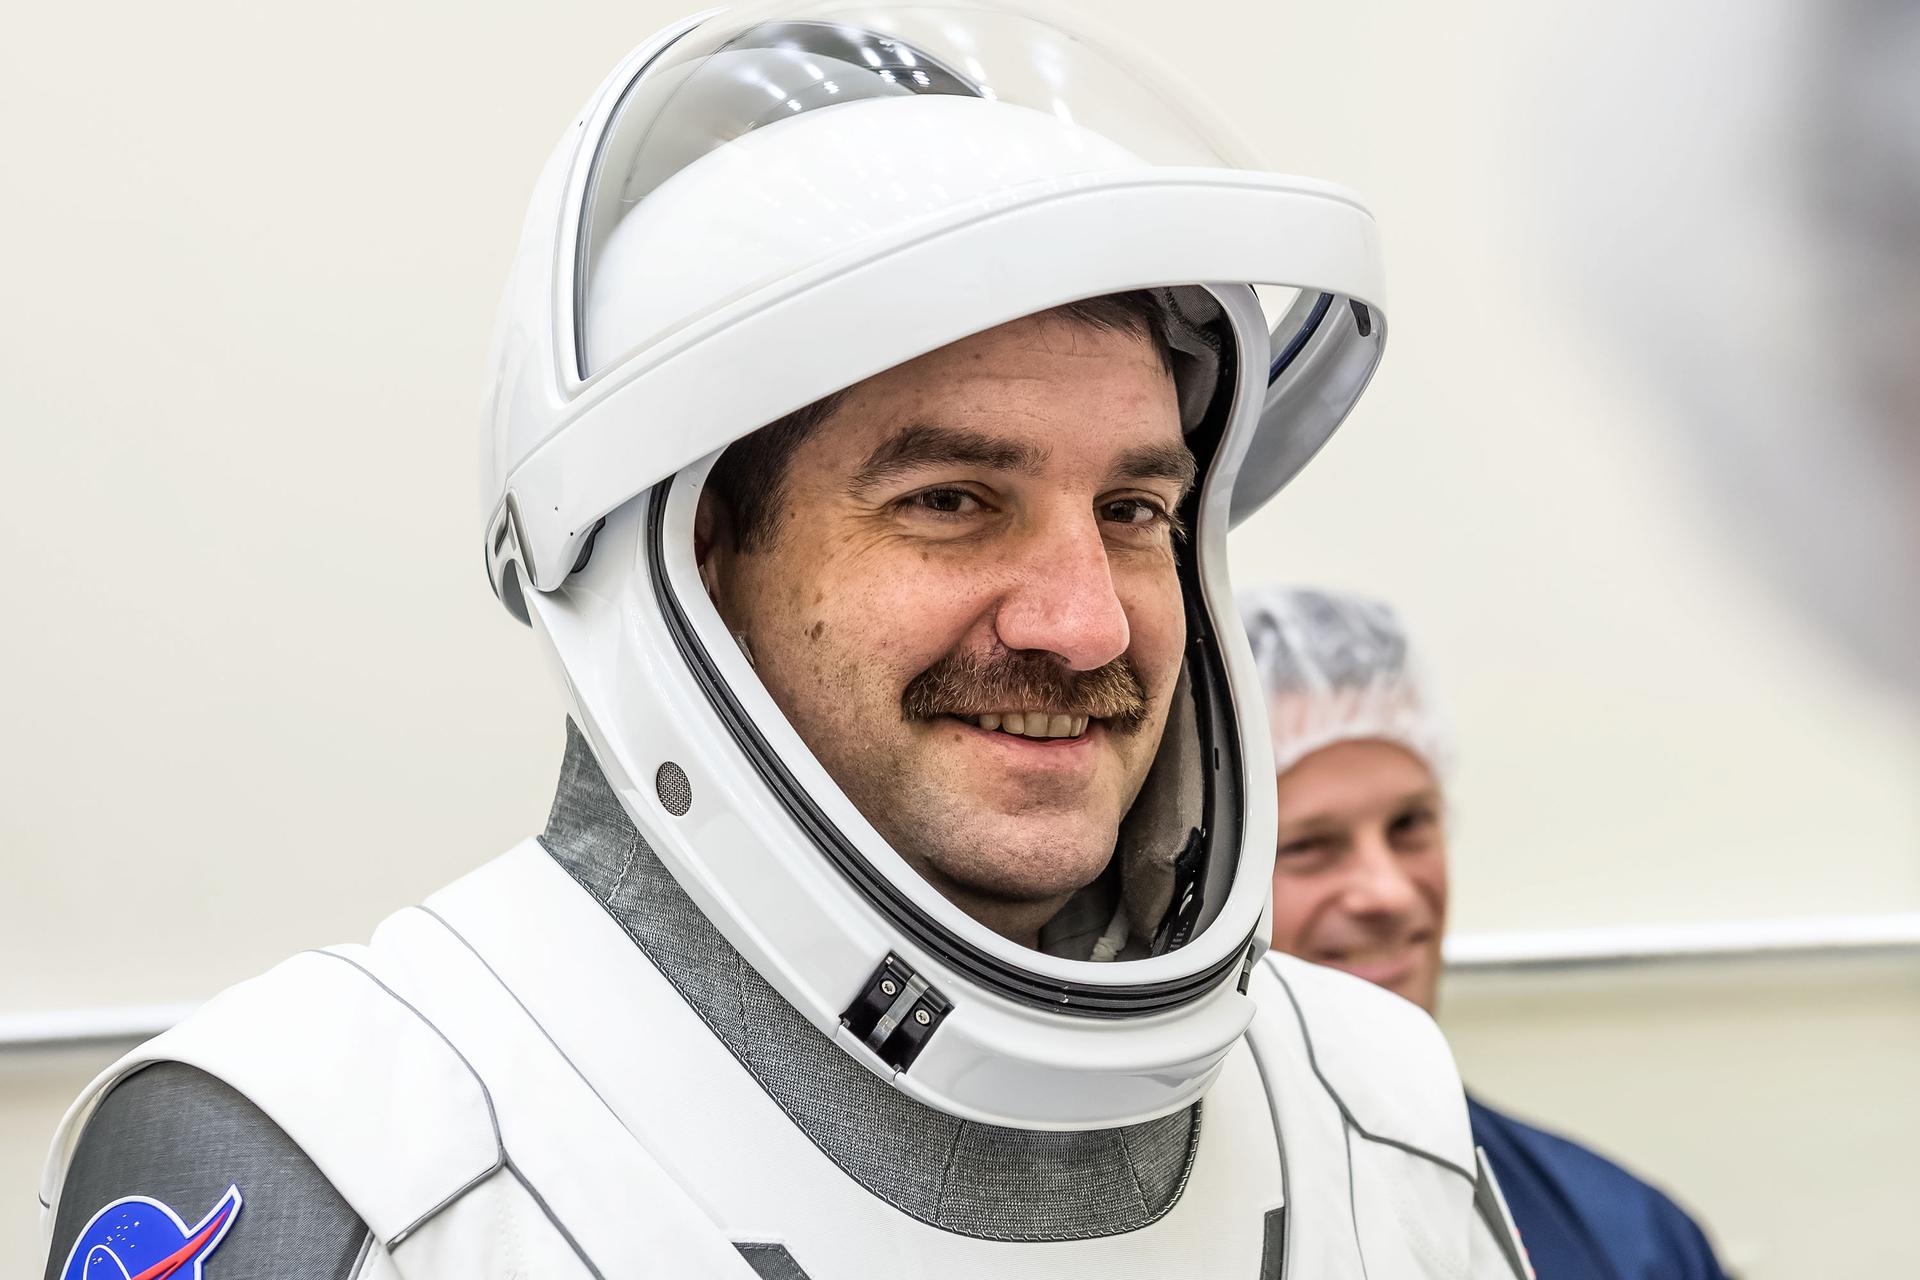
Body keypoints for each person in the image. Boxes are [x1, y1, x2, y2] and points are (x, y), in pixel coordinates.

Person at [37, 6, 1530, 1277]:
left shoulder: (1369, 1107)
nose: (1082, 623)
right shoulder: (345, 1153)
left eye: (1135, 508)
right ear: (685, 561)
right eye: (952, 500)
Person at [1243, 584, 1727, 1280]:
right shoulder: (1126, 1237)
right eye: (1310, 846)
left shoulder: (1626, 1238)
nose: (1388, 892)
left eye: (1409, 826)